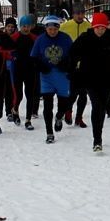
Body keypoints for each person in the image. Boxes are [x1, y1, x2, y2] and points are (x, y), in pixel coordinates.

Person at [69, 12, 110, 152]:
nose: (100, 30)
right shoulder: (85, 38)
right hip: (89, 78)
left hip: (107, 79)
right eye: (98, 27)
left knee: (102, 107)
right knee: (96, 105)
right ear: (93, 26)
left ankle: (99, 131)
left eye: (103, 27)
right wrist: (72, 71)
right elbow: (73, 54)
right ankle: (97, 139)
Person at [30, 15, 73, 144]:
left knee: (63, 104)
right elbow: (33, 57)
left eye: (55, 29)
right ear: (46, 28)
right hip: (46, 76)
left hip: (62, 75)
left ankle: (59, 117)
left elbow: (73, 55)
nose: (52, 31)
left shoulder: (65, 39)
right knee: (47, 105)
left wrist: (67, 63)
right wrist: (40, 66)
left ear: (58, 28)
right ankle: (49, 133)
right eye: (50, 29)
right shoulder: (40, 40)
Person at [59, 2, 90, 127]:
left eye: (82, 13)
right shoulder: (65, 26)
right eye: (78, 13)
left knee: (83, 93)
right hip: (70, 64)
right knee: (72, 93)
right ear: (73, 14)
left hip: (84, 65)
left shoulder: (89, 26)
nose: (80, 15)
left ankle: (79, 118)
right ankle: (68, 111)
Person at [9, 15, 39, 130]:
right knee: (19, 95)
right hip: (17, 69)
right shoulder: (14, 37)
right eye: (24, 26)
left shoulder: (34, 38)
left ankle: (28, 120)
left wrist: (37, 62)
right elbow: (6, 50)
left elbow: (39, 52)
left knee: (30, 95)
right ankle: (15, 110)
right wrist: (13, 56)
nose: (26, 29)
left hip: (30, 70)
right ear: (20, 26)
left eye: (28, 26)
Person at [3, 17, 18, 122]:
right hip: (4, 67)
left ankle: (14, 109)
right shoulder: (1, 37)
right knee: (7, 90)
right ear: (5, 27)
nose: (10, 28)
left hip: (15, 67)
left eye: (12, 27)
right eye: (8, 26)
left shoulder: (17, 37)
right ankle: (8, 111)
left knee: (15, 91)